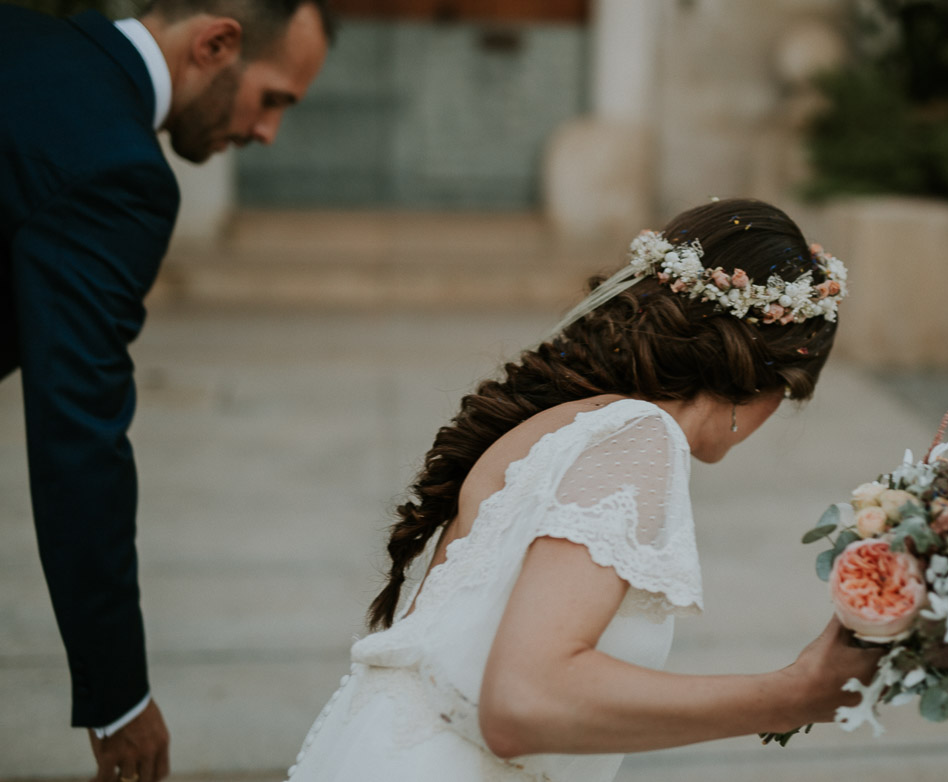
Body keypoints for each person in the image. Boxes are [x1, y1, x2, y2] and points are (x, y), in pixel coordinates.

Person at [284, 198, 880, 781]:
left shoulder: (582, 423)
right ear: (770, 378)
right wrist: (793, 693)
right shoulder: (639, 437)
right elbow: (524, 704)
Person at [0, 1, 333, 780]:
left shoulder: (19, 31)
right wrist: (119, 697)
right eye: (273, 98)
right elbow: (78, 439)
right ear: (216, 43)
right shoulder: (118, 171)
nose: (266, 133)